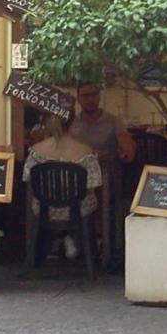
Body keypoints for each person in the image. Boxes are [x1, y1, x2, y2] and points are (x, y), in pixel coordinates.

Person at [23, 105, 101, 259]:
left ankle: (44, 248)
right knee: (93, 201)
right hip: (78, 209)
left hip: (44, 209)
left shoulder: (35, 151)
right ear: (72, 121)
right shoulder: (86, 151)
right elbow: (93, 186)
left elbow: (29, 182)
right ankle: (84, 245)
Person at [69, 83, 136, 163]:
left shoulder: (113, 121)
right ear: (78, 99)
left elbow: (127, 148)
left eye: (94, 95)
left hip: (106, 170)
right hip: (78, 170)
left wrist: (126, 150)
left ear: (99, 96)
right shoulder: (72, 122)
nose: (90, 99)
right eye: (85, 96)